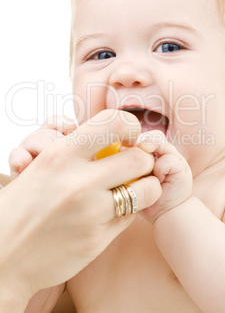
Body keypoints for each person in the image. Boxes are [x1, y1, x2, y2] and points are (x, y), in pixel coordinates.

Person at [8, 0, 225, 312]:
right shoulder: (90, 202)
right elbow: (31, 303)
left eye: (168, 46)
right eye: (102, 54)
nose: (125, 72)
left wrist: (175, 212)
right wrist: (36, 201)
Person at [2, 110, 161, 313]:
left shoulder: (214, 198)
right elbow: (36, 305)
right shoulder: (82, 208)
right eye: (94, 74)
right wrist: (28, 205)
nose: (124, 76)